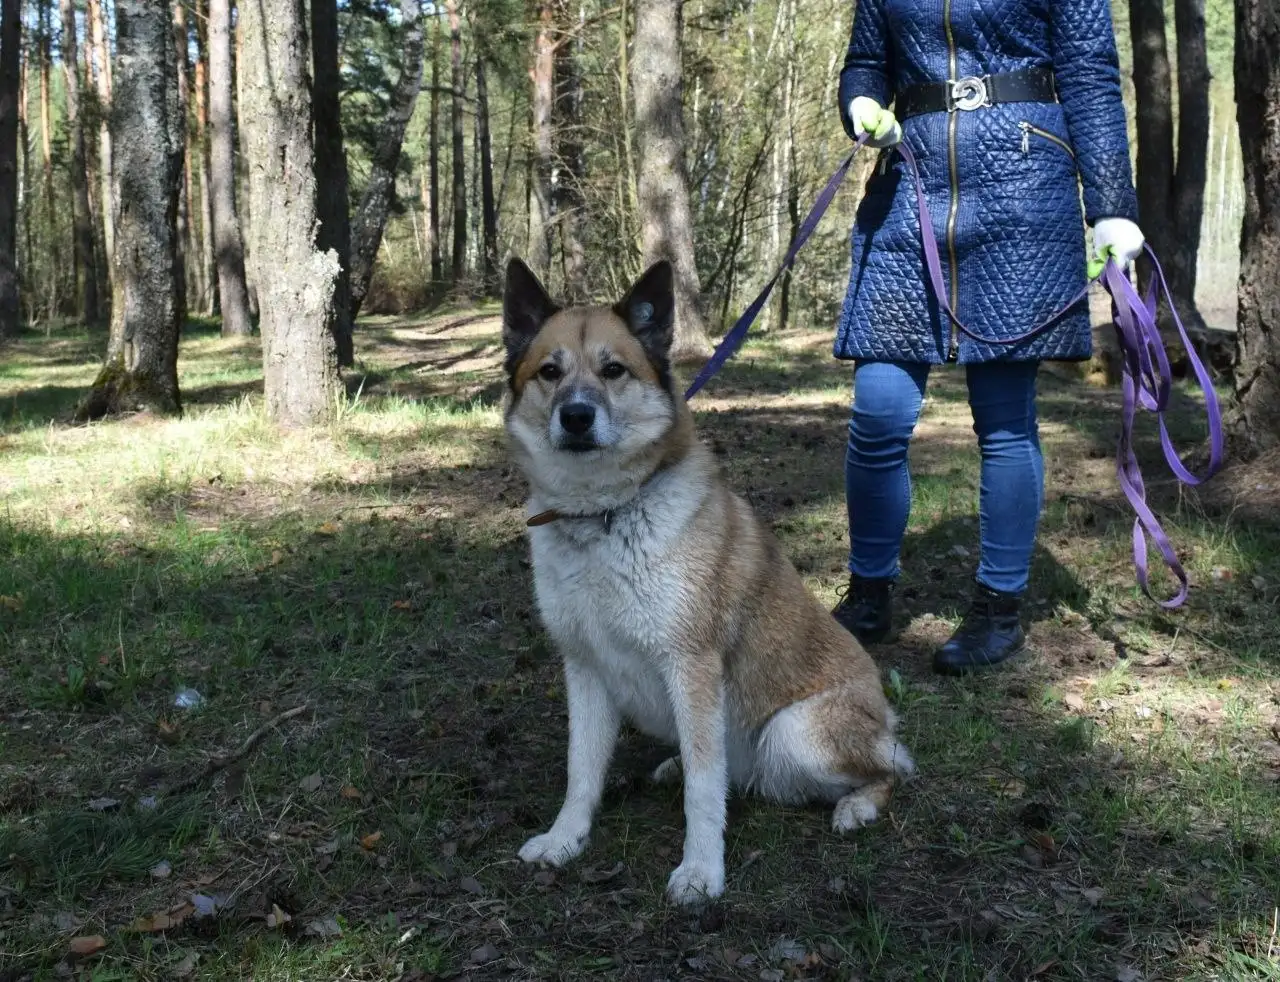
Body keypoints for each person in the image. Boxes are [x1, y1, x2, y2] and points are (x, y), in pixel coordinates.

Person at [828, 0, 1145, 675]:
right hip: (908, 190)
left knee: (1003, 421)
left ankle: (998, 609)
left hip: (1025, 190)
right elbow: (865, 63)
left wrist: (1113, 206)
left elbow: (1090, 76)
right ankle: (867, 597)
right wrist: (860, 104)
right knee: (877, 413)